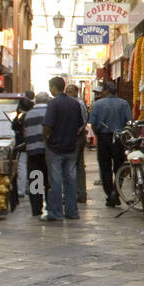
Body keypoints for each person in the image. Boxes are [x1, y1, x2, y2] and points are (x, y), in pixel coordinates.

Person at [42, 76, 85, 221]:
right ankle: (72, 211)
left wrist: (45, 138)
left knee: (55, 181)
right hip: (71, 147)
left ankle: (56, 212)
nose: (50, 90)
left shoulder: (53, 104)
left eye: (50, 87)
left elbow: (48, 124)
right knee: (70, 180)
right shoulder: (74, 103)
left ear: (54, 87)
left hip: (55, 148)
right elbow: (80, 124)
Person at [90, 81, 131, 206]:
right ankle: (115, 193)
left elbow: (93, 124)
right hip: (119, 139)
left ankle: (110, 194)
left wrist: (98, 134)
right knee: (119, 168)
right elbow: (129, 122)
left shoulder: (98, 104)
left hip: (104, 138)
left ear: (106, 91)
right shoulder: (123, 104)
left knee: (105, 168)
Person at [21, 94, 48, 217]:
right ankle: (51, 204)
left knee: (35, 180)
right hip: (47, 151)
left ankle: (36, 208)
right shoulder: (50, 112)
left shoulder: (28, 114)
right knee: (48, 180)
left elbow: (24, 130)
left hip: (32, 151)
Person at [66, 83, 89, 204]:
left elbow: (83, 121)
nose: (68, 94)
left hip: (75, 137)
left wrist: (75, 132)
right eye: (67, 91)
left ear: (76, 92)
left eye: (70, 91)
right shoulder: (79, 103)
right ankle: (81, 193)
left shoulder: (77, 103)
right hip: (79, 137)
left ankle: (74, 194)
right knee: (79, 166)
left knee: (71, 166)